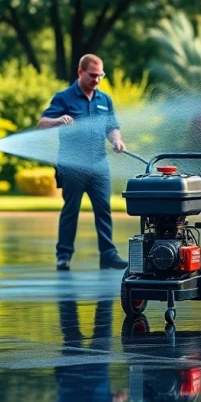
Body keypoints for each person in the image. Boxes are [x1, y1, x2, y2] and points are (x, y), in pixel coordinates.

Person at [37, 54, 128, 271]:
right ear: (80, 72)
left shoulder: (105, 100)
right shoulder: (64, 98)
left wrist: (117, 140)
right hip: (72, 166)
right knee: (71, 210)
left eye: (100, 76)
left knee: (104, 208)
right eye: (92, 75)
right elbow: (42, 123)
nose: (96, 80)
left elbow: (112, 126)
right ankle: (64, 256)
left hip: (99, 164)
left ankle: (108, 255)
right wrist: (58, 120)